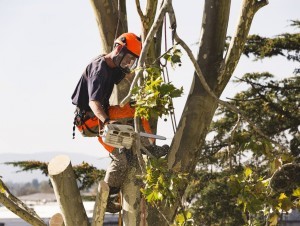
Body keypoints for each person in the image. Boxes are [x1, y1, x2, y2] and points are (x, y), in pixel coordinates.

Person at [71, 32, 169, 213]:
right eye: (129, 58)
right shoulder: (99, 69)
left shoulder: (114, 67)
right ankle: (106, 199)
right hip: (91, 121)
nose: (129, 62)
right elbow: (94, 102)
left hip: (103, 115)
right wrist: (107, 121)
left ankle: (147, 147)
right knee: (122, 160)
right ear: (118, 49)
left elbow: (131, 78)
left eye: (133, 60)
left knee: (137, 109)